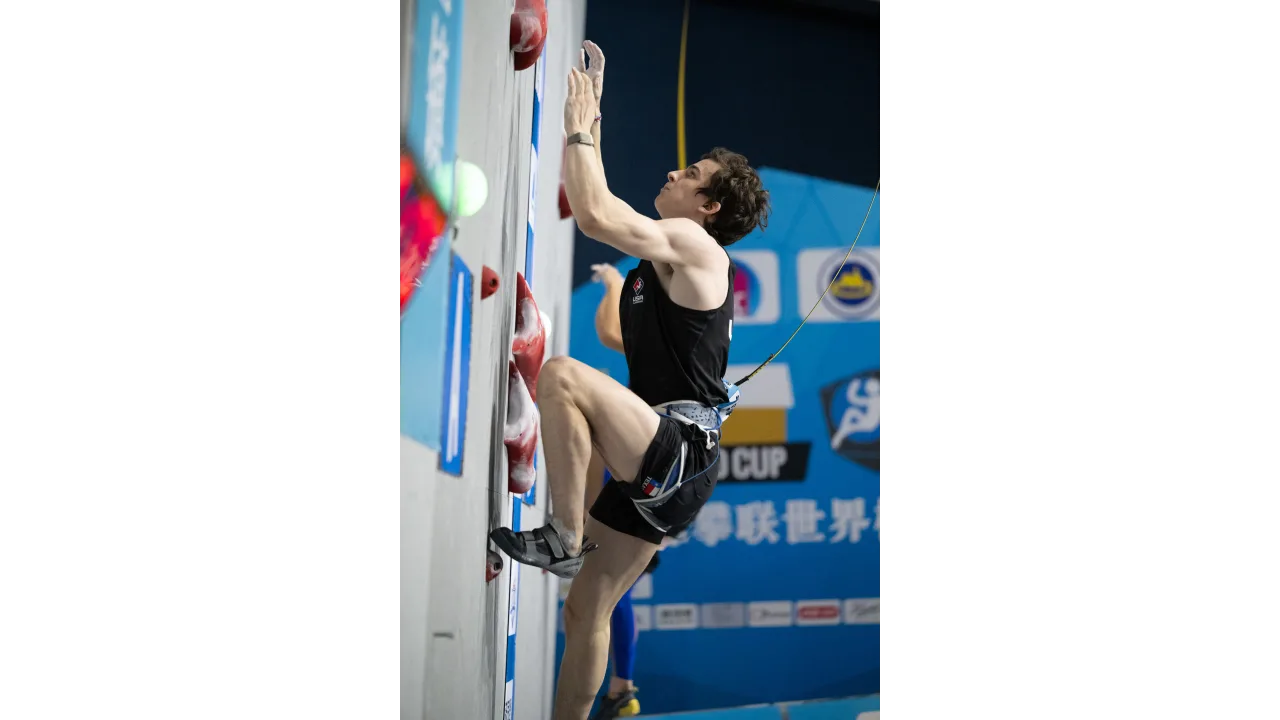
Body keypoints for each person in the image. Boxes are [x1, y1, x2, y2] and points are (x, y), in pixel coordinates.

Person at [490, 40, 770, 720]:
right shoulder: (666, 263)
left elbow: (595, 215)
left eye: (691, 174)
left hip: (676, 450)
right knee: (586, 611)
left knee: (562, 377)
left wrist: (580, 127)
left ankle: (561, 535)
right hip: (674, 462)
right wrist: (593, 122)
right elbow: (622, 339)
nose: (675, 171)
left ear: (708, 208)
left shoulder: (697, 246)